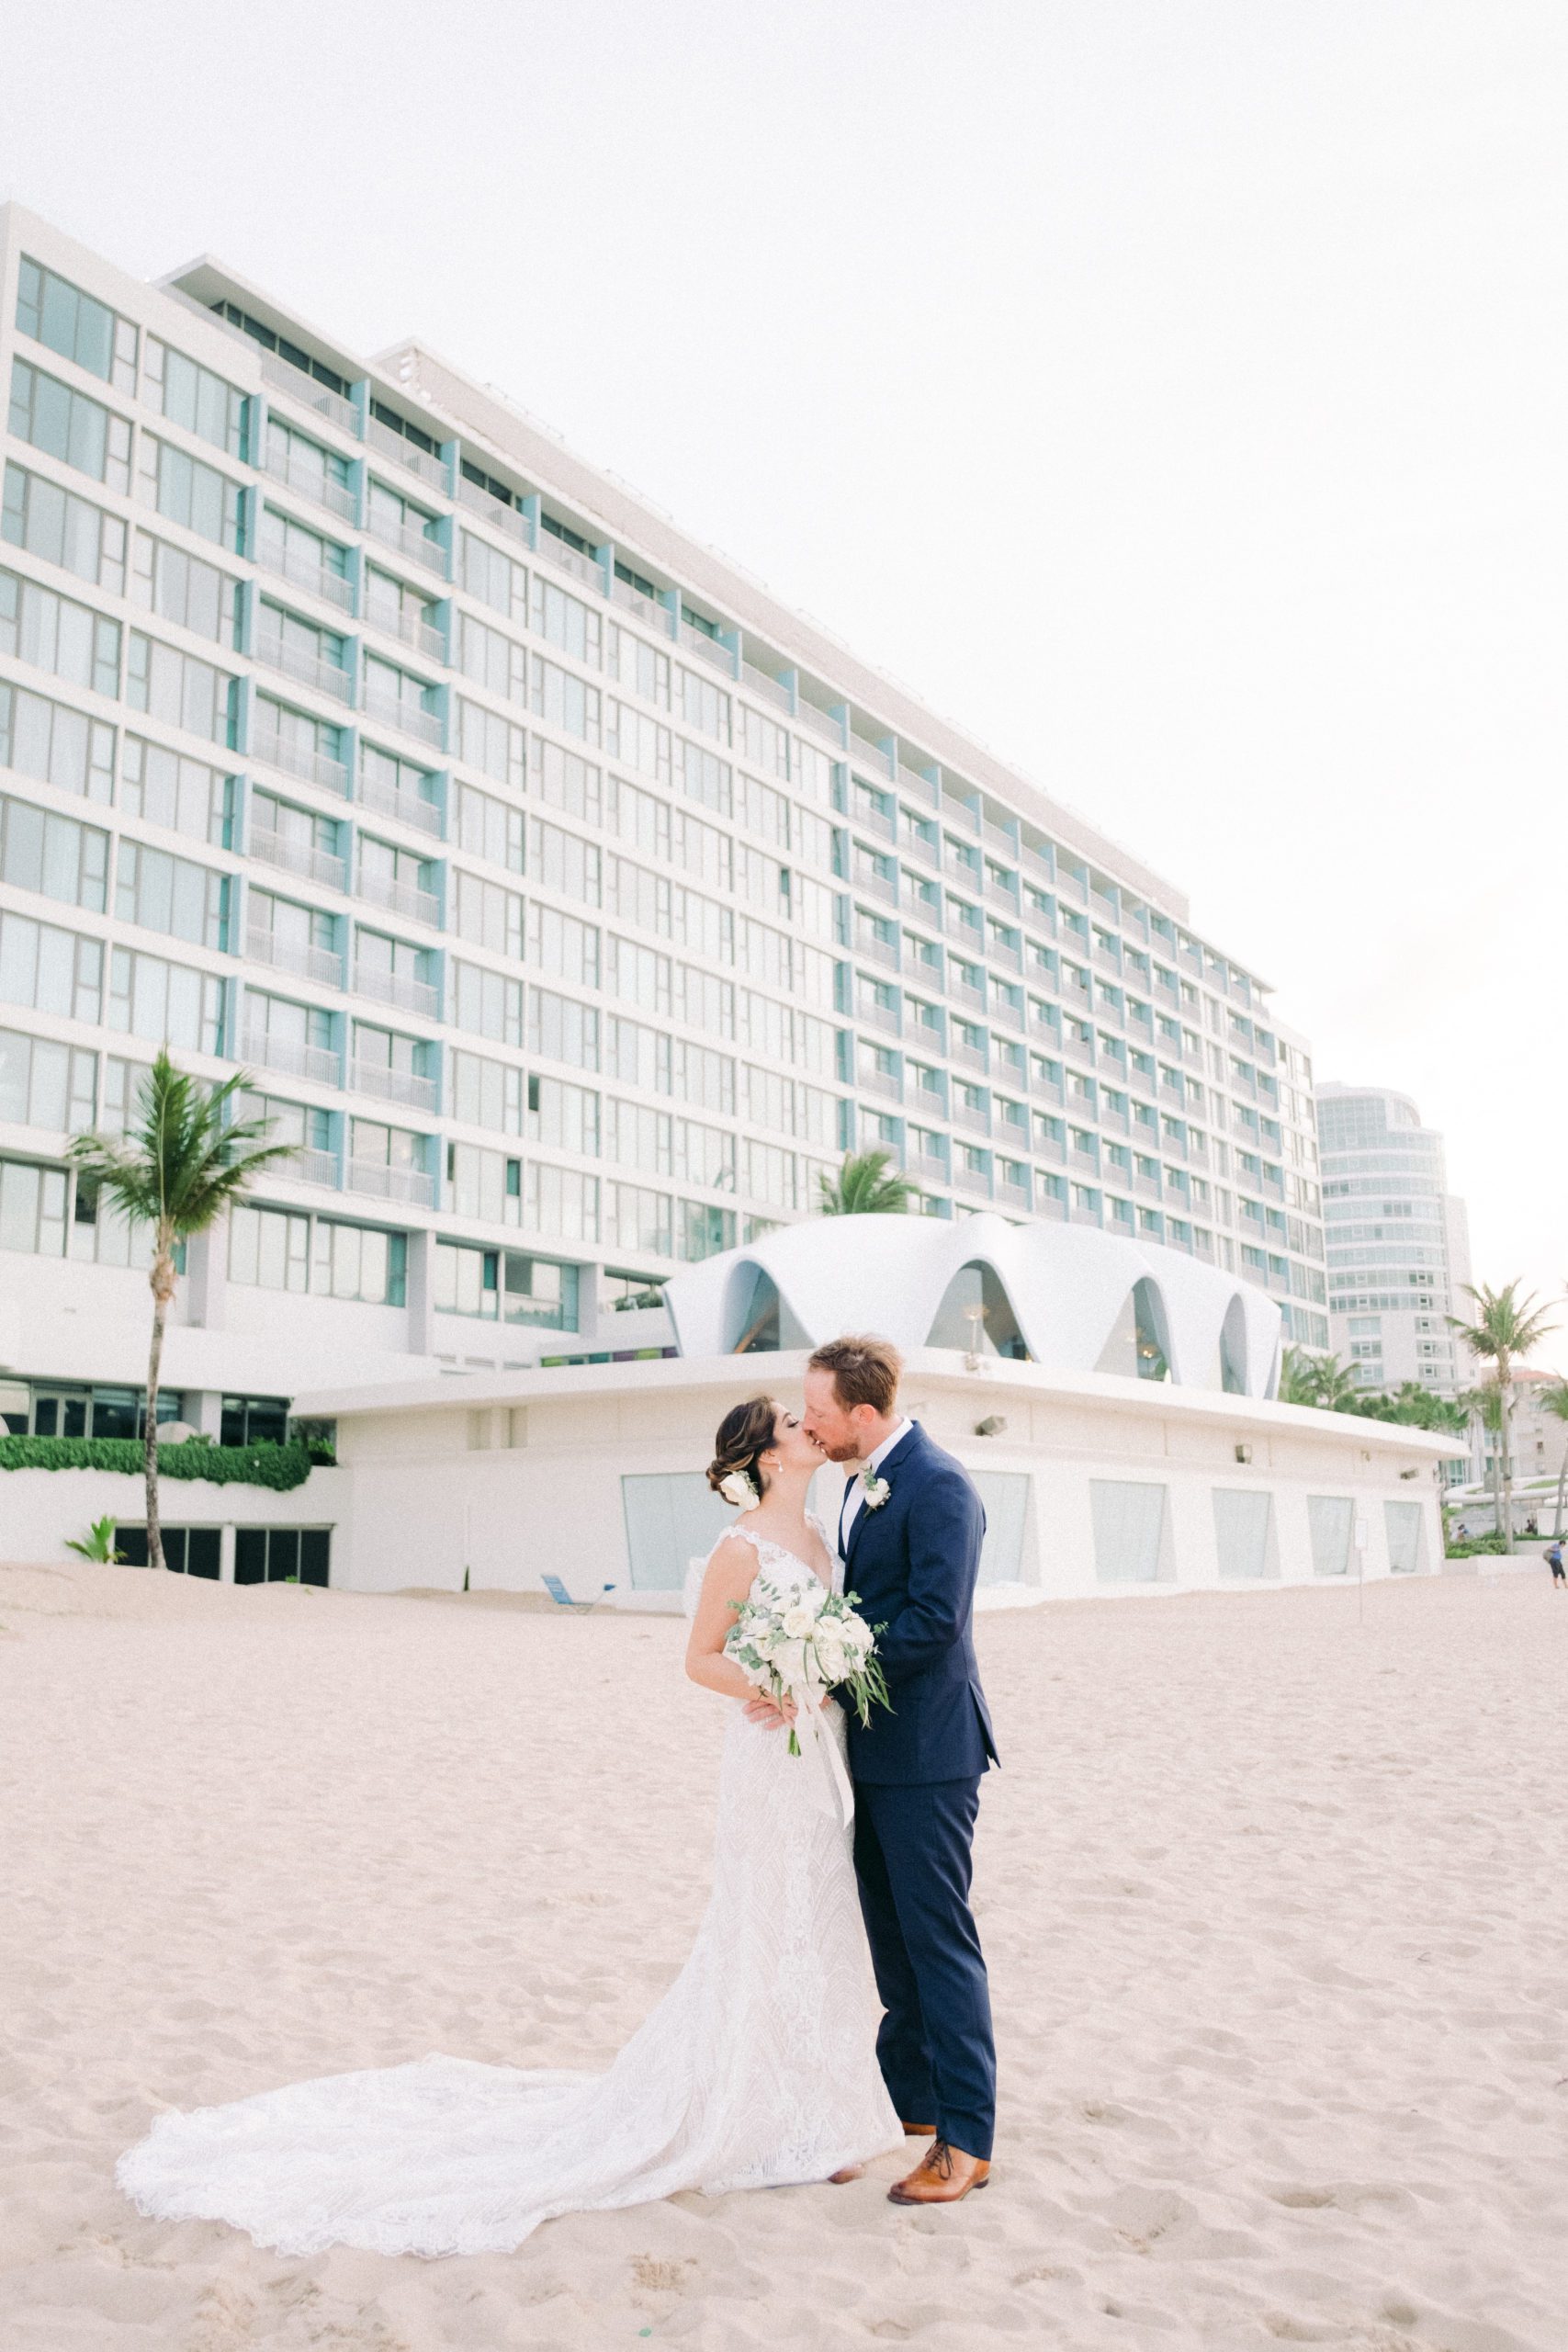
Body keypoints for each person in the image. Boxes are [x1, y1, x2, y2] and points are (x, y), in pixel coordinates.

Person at [117, 1396, 903, 2256]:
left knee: (819, 1925)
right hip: (766, 1757)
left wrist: (821, 1671)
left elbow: (835, 1635)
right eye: (794, 1425)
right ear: (764, 1457)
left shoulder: (823, 1540)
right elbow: (698, 1658)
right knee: (761, 1925)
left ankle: (818, 2119)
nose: (809, 1429)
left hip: (820, 1757)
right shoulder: (739, 1546)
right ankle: (756, 2118)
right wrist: (770, 1683)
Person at [791, 1335, 999, 2208]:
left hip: (928, 1753)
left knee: (938, 1942)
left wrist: (825, 1671)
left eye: (818, 1413)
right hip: (869, 1750)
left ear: (864, 1415)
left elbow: (932, 1623)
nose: (808, 1425)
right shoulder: (851, 1482)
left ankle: (965, 2140)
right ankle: (907, 2109)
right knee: (891, 1942)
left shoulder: (941, 1486)